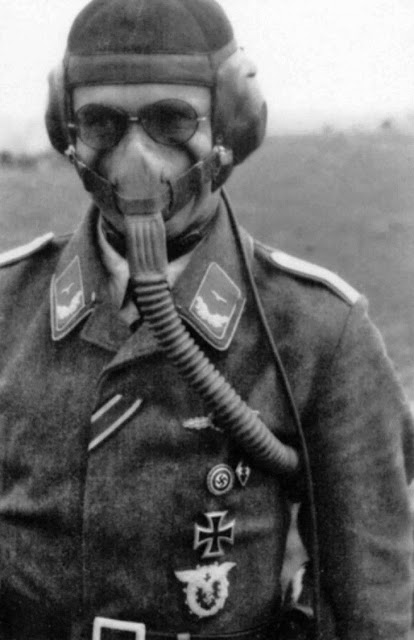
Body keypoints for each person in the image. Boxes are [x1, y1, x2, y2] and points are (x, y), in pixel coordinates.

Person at [0, 0, 412, 638]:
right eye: (101, 123)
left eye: (171, 120)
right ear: (68, 132)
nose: (136, 157)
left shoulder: (318, 333)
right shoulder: (9, 306)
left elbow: (370, 607)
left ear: (231, 127)